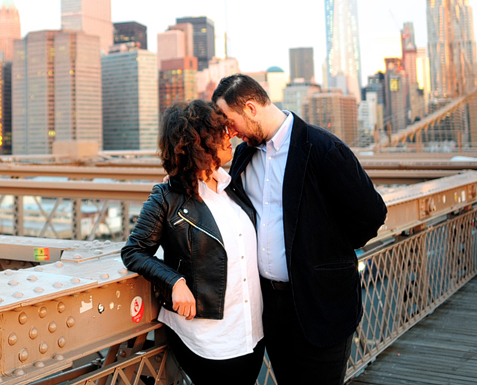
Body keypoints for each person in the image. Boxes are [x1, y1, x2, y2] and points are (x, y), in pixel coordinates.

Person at [212, 74, 387, 385]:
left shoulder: (323, 148)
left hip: (321, 305)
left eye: (229, 120)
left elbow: (371, 215)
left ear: (251, 108)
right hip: (270, 308)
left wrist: (324, 252)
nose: (229, 131)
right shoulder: (243, 155)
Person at [121, 100, 265, 385]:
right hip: (208, 339)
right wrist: (174, 281)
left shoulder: (233, 184)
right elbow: (134, 251)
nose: (230, 135)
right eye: (220, 131)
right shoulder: (167, 197)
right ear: (199, 142)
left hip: (252, 331)